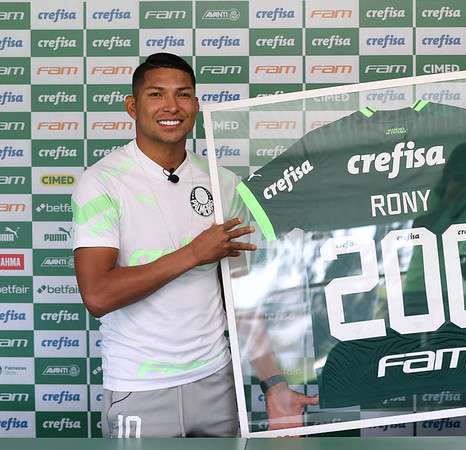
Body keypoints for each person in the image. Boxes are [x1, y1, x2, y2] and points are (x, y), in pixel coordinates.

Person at [72, 53, 316, 437]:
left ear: (197, 106)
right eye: (156, 94)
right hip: (139, 387)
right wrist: (193, 254)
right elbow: (98, 294)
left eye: (183, 95)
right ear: (132, 107)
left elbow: (240, 298)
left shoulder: (224, 183)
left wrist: (275, 384)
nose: (171, 106)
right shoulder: (102, 182)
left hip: (216, 382)